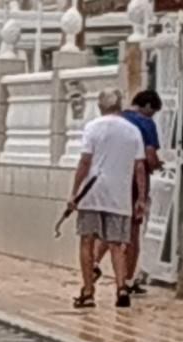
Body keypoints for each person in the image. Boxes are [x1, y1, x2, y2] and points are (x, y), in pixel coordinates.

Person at [69, 87, 147, 309]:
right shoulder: (132, 131)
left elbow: (85, 161)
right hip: (119, 194)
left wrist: (74, 192)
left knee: (87, 240)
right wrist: (140, 198)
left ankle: (88, 291)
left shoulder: (92, 128)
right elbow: (139, 167)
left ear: (100, 106)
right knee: (116, 244)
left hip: (92, 193)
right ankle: (122, 287)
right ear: (120, 105)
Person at [94, 90, 163, 294]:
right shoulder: (145, 123)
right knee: (132, 232)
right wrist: (158, 166)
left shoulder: (117, 119)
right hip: (133, 181)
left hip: (109, 179)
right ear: (148, 106)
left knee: (110, 228)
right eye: (153, 112)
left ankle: (94, 262)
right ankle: (129, 280)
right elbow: (148, 157)